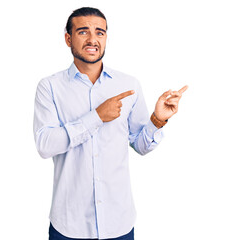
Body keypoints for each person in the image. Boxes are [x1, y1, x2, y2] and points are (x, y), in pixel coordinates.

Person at [33, 7, 188, 240]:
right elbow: (45, 145)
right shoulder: (50, 87)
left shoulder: (129, 85)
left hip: (118, 223)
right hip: (70, 224)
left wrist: (158, 119)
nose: (93, 39)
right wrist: (96, 117)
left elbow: (141, 145)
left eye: (100, 32)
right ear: (68, 38)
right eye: (83, 32)